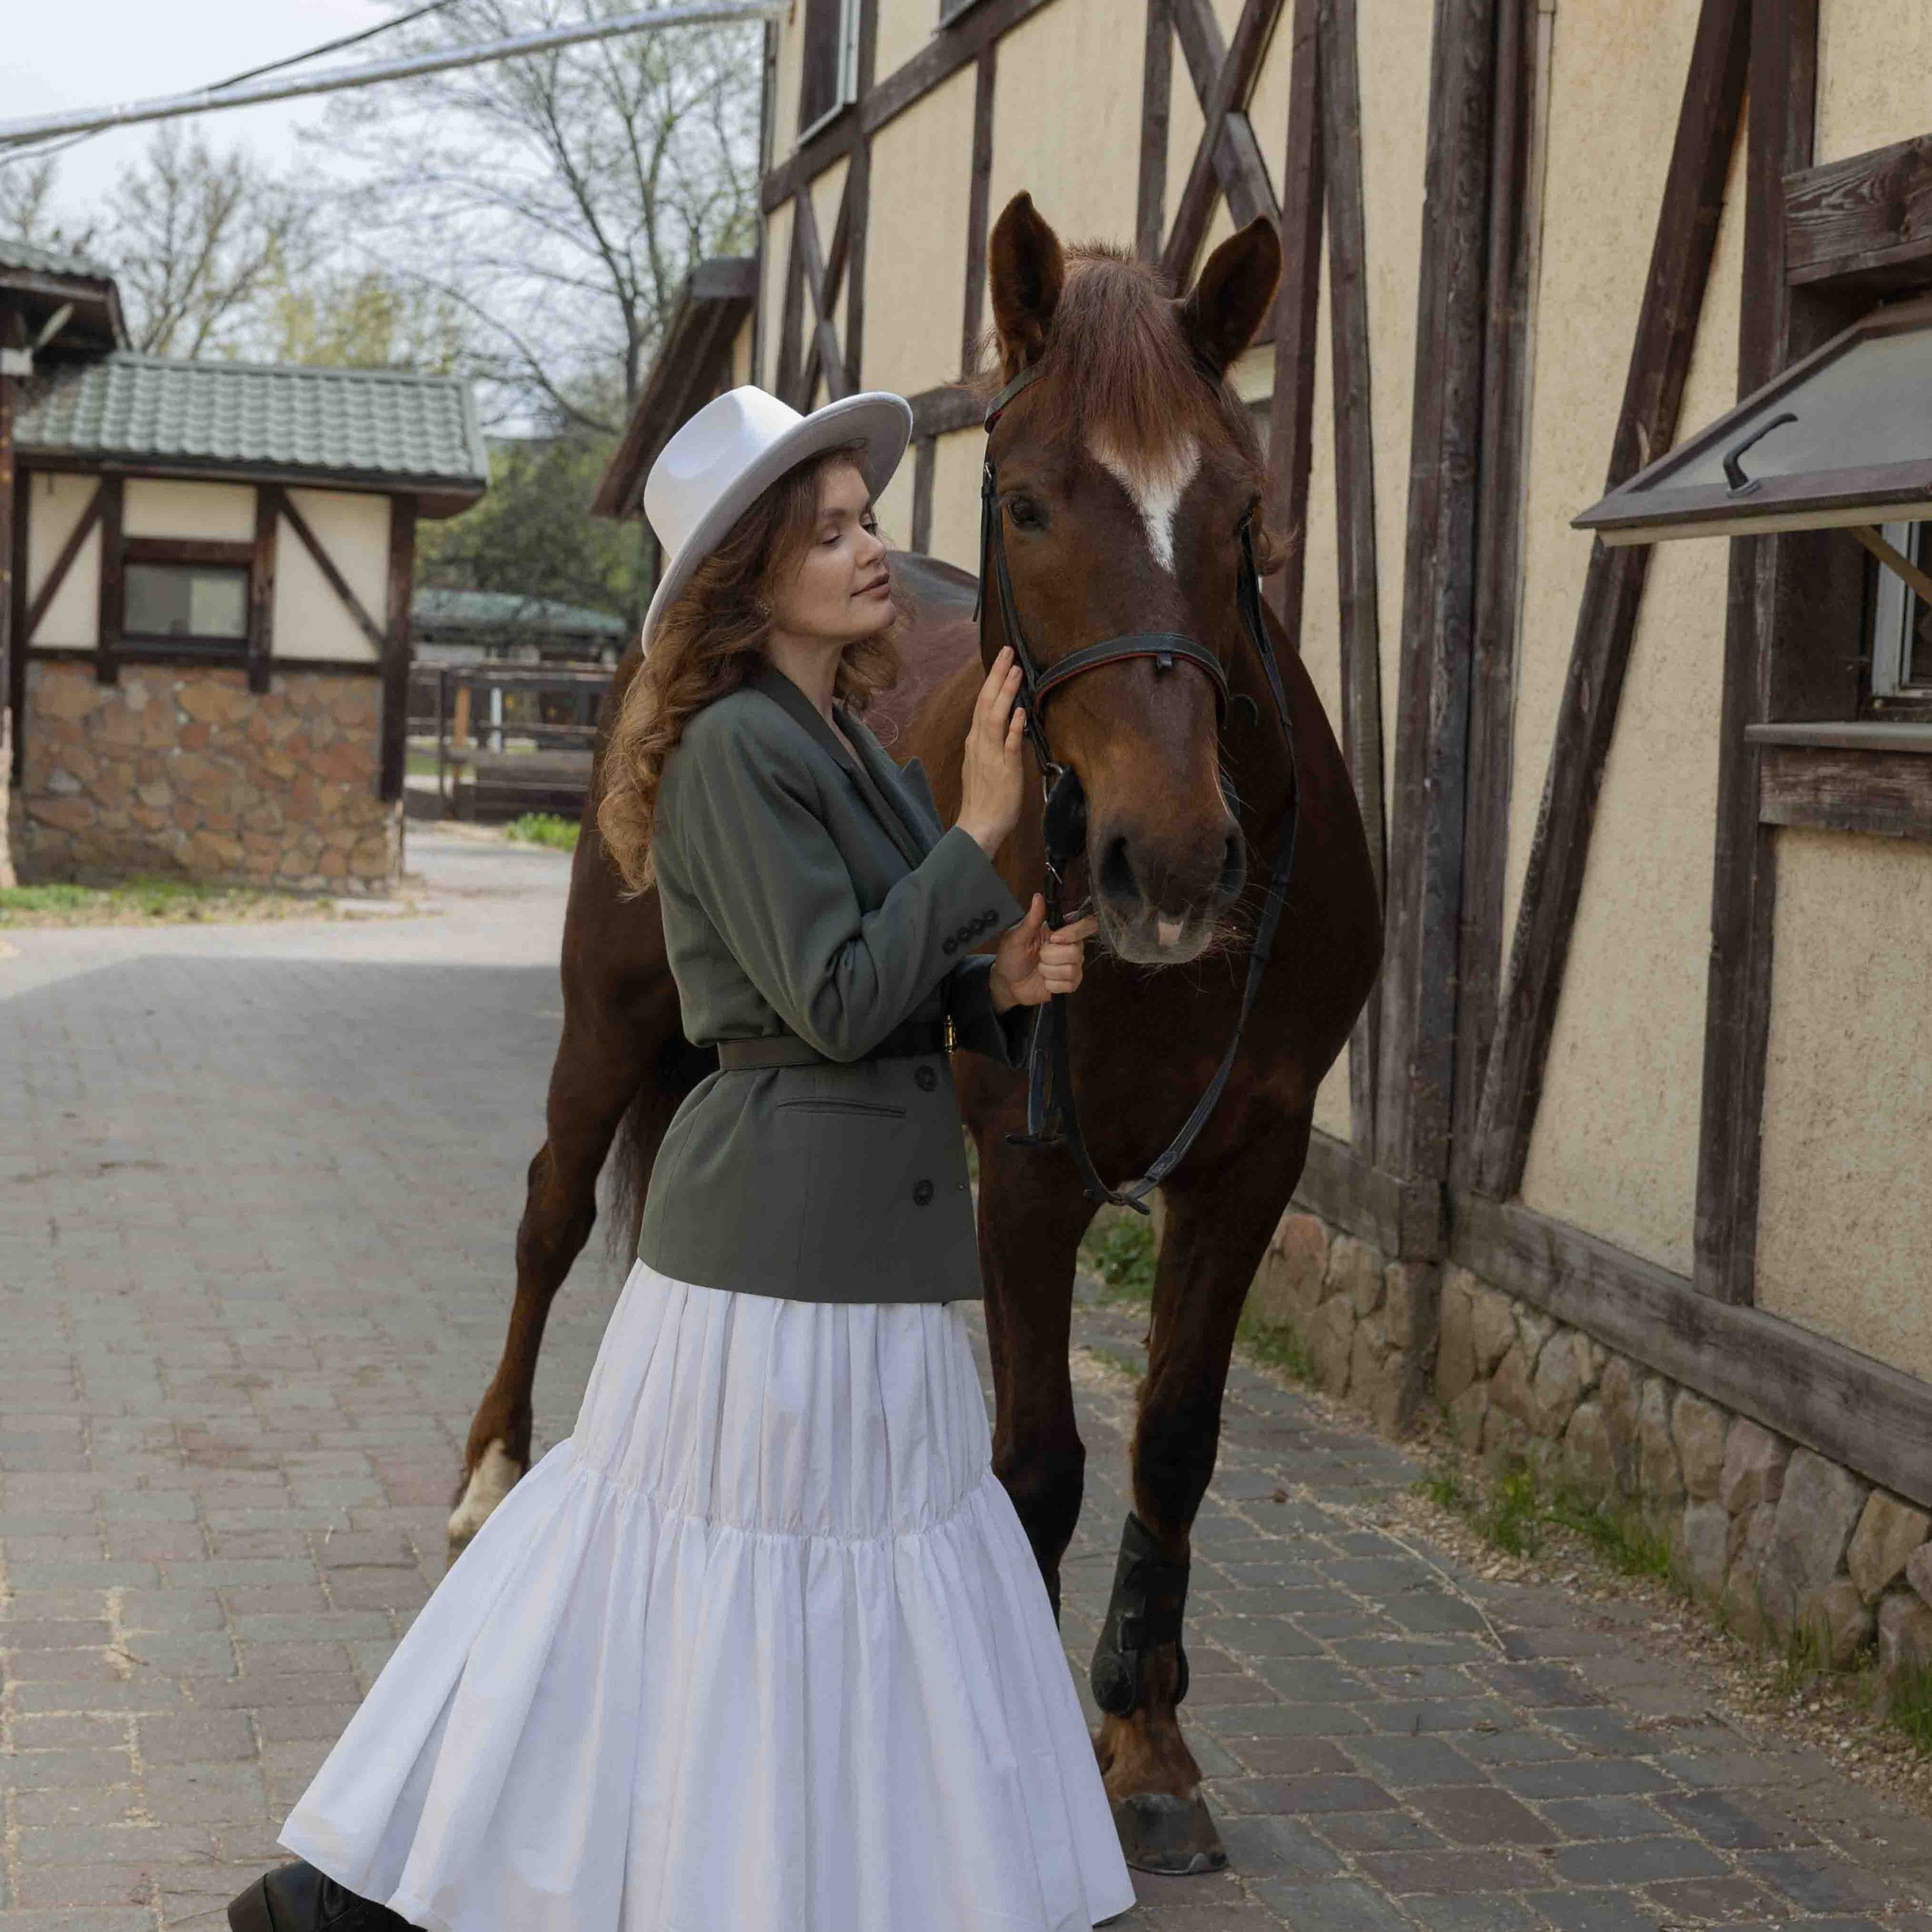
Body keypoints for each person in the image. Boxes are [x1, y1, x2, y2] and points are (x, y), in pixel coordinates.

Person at [229, 385, 1136, 1932]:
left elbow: (880, 967)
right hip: (770, 1265)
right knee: (663, 1581)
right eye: (832, 527)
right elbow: (832, 997)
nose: (870, 550)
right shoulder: (729, 748)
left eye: (865, 518)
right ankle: (356, 1889)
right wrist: (977, 830)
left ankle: (815, 1881)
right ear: (749, 571)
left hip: (853, 1248)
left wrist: (996, 977)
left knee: (813, 1588)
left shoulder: (832, 736)